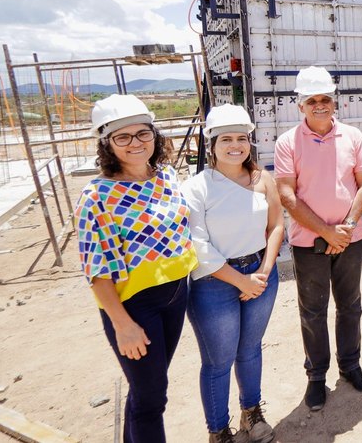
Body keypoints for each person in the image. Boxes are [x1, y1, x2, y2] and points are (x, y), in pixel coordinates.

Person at [76, 94, 197, 443]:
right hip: (135, 306)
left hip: (177, 295)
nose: (135, 143)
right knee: (152, 398)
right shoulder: (97, 195)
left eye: (143, 134)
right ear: (107, 144)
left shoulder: (167, 177)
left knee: (146, 388)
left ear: (154, 136)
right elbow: (96, 270)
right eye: (122, 137)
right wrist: (122, 324)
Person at [275, 67, 362, 411]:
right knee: (313, 311)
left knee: (350, 305)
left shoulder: (353, 137)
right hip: (309, 243)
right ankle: (316, 376)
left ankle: (350, 366)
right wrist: (326, 231)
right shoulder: (288, 143)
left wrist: (345, 227)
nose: (320, 105)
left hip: (350, 238)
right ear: (300, 105)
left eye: (325, 99)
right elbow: (287, 196)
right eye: (312, 100)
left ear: (335, 101)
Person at [183, 105, 283, 443]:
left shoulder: (262, 179)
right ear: (211, 144)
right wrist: (242, 281)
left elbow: (276, 225)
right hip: (214, 283)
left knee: (250, 349)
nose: (235, 145)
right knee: (218, 360)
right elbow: (198, 244)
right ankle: (218, 430)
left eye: (242, 138)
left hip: (260, 274)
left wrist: (264, 271)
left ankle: (251, 414)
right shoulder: (196, 188)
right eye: (226, 139)